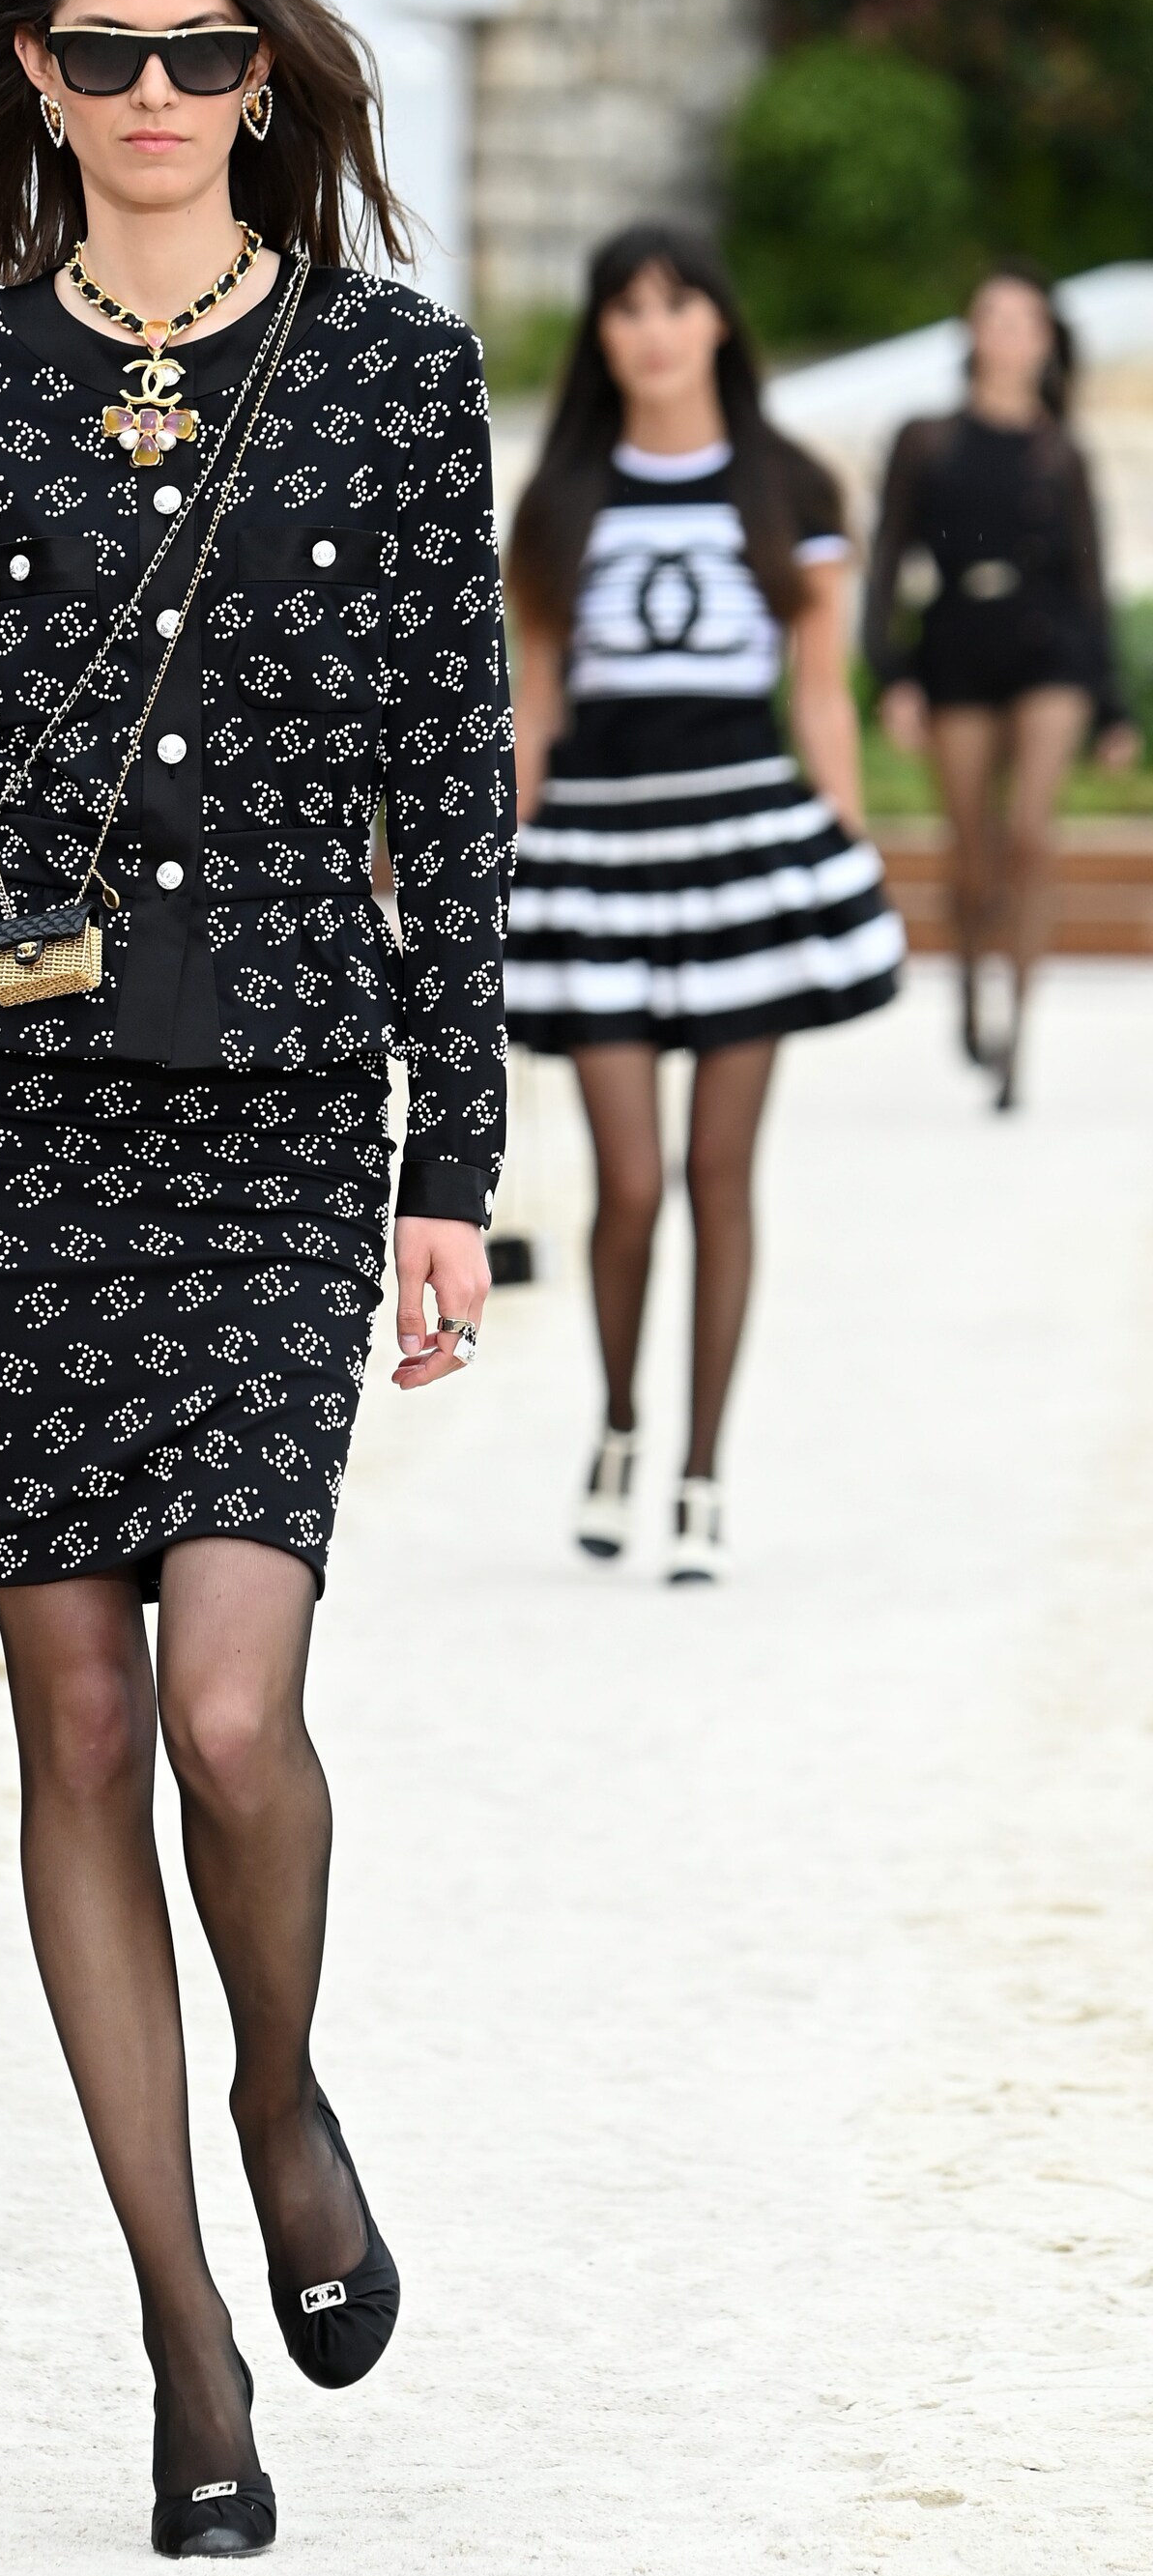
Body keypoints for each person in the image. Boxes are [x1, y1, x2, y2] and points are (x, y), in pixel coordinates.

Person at [0, 0, 511, 2558]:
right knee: (74, 1724)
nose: (158, 98)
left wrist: (457, 1157)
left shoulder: (396, 377)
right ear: (35, 77)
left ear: (267, 73)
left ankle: (280, 2085)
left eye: (205, 51)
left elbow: (451, 782)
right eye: (105, 54)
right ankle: (185, 2337)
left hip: (282, 1102)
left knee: (222, 1706)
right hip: (9, 1121)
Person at [505, 222, 903, 1584]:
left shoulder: (790, 483)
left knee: (718, 1175)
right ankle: (620, 1423)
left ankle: (701, 1474)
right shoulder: (561, 498)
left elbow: (819, 694)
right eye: (626, 309)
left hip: (744, 844)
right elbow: (536, 705)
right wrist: (500, 861)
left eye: (676, 304)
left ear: (719, 321)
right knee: (626, 1182)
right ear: (601, 335)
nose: (654, 331)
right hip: (598, 850)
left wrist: (843, 850)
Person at [865, 261, 1141, 1108]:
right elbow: (887, 561)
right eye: (994, 317)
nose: (1008, 334)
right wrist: (892, 673)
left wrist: (1113, 705)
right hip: (957, 644)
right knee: (971, 845)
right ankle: (971, 986)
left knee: (1030, 832)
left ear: (1047, 340)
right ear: (972, 332)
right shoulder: (928, 440)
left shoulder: (1061, 452)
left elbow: (1091, 579)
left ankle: (1018, 1027)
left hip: (1049, 646)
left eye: (1025, 321)